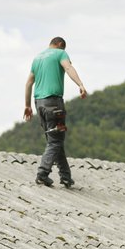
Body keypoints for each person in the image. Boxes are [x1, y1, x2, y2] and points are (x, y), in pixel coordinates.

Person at [24, 36, 87, 188]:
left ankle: (66, 177)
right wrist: (80, 84)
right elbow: (68, 68)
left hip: (39, 104)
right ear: (60, 45)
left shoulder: (37, 58)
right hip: (53, 103)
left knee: (55, 140)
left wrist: (27, 105)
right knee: (55, 141)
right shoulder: (60, 53)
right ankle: (42, 173)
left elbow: (29, 83)